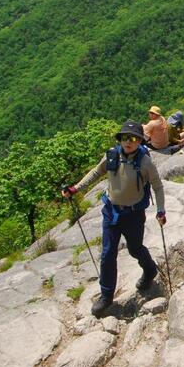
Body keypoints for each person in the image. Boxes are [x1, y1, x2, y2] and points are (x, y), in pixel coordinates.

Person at [61, 120, 166, 318]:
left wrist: (161, 210)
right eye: (125, 138)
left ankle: (150, 270)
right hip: (111, 211)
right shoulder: (111, 155)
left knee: (135, 249)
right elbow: (96, 172)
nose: (129, 142)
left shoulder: (145, 162)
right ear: (120, 139)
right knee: (108, 253)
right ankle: (106, 295)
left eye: (134, 139)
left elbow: (157, 186)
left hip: (133, 214)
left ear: (139, 141)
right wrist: (76, 188)